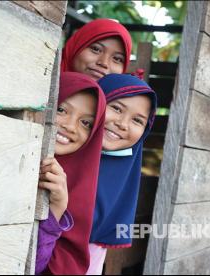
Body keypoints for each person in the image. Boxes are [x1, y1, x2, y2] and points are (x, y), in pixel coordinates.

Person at [36, 72, 106, 275]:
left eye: (86, 123)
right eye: (61, 110)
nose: (69, 126)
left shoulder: (76, 189)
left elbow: (35, 267)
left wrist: (56, 210)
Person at [88, 74, 157, 275]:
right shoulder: (58, 152)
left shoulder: (121, 181)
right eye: (117, 108)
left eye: (137, 120)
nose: (123, 124)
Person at [61, 19, 132, 81]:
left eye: (117, 59)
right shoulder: (50, 75)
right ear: (76, 47)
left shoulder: (124, 96)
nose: (104, 63)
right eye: (96, 49)